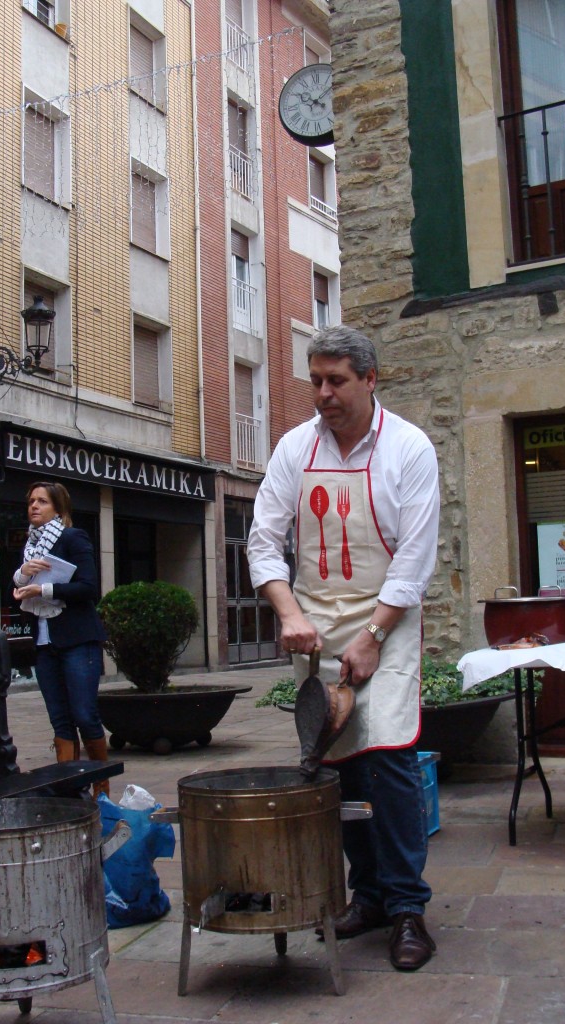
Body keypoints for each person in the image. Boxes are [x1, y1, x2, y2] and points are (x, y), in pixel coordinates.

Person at [247, 325, 440, 972]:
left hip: (386, 616)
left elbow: (413, 559)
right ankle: (372, 895)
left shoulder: (408, 448)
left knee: (385, 756)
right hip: (317, 624)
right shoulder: (294, 449)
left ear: (369, 379)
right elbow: (263, 541)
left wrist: (375, 635)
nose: (323, 394)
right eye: (316, 381)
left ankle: (410, 906)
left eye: (336, 381)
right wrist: (289, 613)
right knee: (335, 766)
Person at [12, 480, 109, 795]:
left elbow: (88, 587)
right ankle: (69, 788)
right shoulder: (30, 547)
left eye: (42, 501)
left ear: (59, 507)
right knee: (60, 720)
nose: (34, 506)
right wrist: (24, 575)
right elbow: (17, 589)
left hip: (78, 639)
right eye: (31, 501)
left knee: (84, 713)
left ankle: (101, 787)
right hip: (44, 642)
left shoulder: (72, 537)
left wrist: (43, 588)